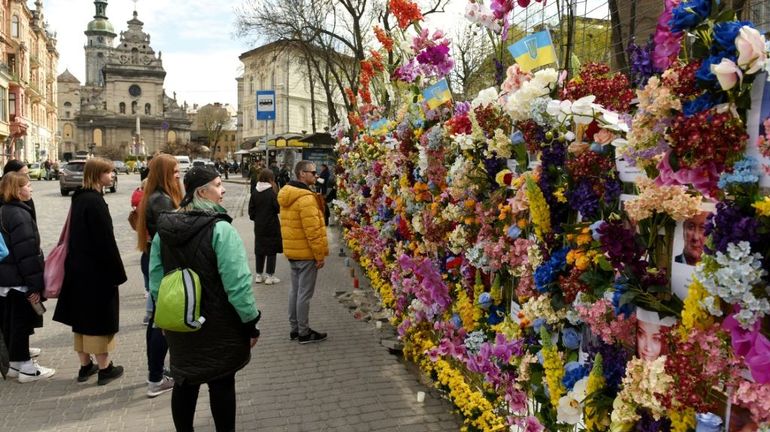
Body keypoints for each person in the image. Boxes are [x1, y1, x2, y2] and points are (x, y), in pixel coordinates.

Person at [149, 166, 261, 432]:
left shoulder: (163, 230)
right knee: (221, 383)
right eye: (218, 185)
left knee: (184, 382)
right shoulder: (221, 230)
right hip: (220, 324)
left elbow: (156, 282)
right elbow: (238, 285)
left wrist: (166, 315)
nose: (223, 191)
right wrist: (250, 322)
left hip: (179, 322)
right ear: (202, 191)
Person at [52, 157, 127, 385]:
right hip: (97, 272)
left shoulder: (79, 198)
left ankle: (85, 366)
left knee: (82, 320)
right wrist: (118, 272)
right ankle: (105, 369)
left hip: (77, 269)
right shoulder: (95, 201)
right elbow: (106, 242)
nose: (113, 175)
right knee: (98, 321)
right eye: (109, 172)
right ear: (98, 175)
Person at [135, 153, 183, 398]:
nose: (179, 174)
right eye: (175, 171)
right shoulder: (162, 200)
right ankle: (155, 379)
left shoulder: (155, 196)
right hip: (164, 268)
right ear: (164, 173)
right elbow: (174, 236)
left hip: (158, 264)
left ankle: (155, 371)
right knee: (160, 325)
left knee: (156, 321)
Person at [0, 172, 54, 382]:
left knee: (11, 323)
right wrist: (34, 283)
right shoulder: (19, 214)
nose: (31, 189)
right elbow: (27, 253)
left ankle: (15, 364)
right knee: (21, 322)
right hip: (19, 279)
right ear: (17, 189)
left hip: (5, 279)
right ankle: (27, 369)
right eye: (28, 185)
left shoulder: (4, 210)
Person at [277, 160, 329, 344]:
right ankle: (304, 332)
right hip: (306, 254)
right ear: (302, 174)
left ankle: (295, 329)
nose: (316, 176)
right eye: (313, 173)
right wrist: (319, 255)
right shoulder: (305, 198)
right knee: (304, 294)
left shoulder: (287, 194)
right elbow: (312, 231)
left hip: (293, 252)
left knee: (295, 291)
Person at [249, 169, 282, 285]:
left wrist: (257, 219)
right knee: (271, 250)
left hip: (259, 226)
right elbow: (277, 209)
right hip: (271, 225)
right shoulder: (271, 193)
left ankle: (258, 275)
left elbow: (251, 211)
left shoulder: (255, 192)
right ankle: (269, 276)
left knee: (260, 250)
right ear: (270, 179)